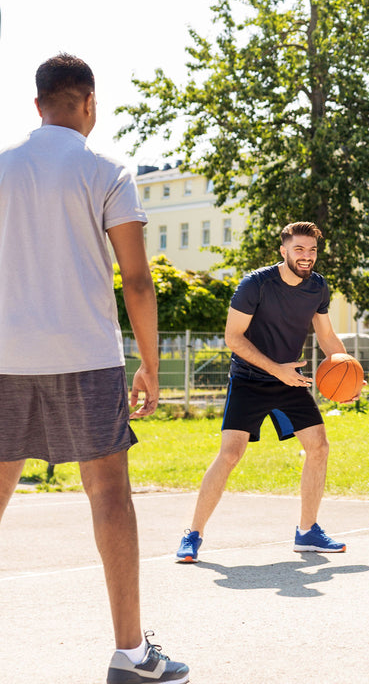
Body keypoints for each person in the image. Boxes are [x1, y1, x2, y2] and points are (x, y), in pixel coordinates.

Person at [0, 54, 189, 684]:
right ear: (87, 102)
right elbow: (136, 279)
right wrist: (151, 368)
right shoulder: (109, 170)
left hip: (4, 356)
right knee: (109, 493)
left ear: (37, 105)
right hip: (85, 356)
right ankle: (131, 655)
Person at [176, 221, 351, 562]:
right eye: (299, 249)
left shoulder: (317, 287)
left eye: (312, 250)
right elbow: (233, 338)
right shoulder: (255, 284)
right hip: (250, 379)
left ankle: (307, 532)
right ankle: (192, 534)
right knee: (230, 454)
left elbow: (327, 337)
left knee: (319, 447)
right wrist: (277, 370)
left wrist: (348, 373)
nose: (307, 256)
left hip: (290, 380)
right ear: (283, 250)